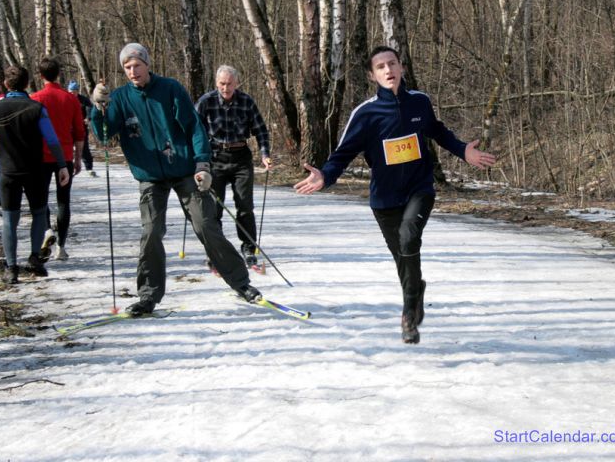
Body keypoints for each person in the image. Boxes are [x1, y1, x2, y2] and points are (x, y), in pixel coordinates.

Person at [294, 45, 496, 344]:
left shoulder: (420, 102)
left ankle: (407, 315)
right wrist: (326, 175)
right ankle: (416, 289)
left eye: (392, 63)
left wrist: (463, 149)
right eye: (381, 67)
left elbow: (438, 131)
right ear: (372, 75)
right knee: (404, 257)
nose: (388, 70)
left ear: (401, 67)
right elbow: (343, 153)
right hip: (385, 199)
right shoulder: (365, 114)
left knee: (408, 238)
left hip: (419, 189)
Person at [91, 42, 261, 317]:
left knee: (206, 225)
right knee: (151, 232)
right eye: (127, 67)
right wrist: (97, 107)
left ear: (147, 64)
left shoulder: (170, 89)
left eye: (137, 65)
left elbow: (195, 127)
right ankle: (148, 296)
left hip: (184, 171)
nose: (133, 71)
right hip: (150, 177)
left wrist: (203, 164)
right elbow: (104, 133)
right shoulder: (121, 98)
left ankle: (242, 284)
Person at [0, 66, 70, 284]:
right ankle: (35, 260)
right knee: (39, 214)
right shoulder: (36, 108)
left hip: (7, 172)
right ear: (27, 84)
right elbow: (52, 139)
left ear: (6, 85)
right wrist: (61, 165)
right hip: (35, 171)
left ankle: (11, 268)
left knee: (9, 220)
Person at [195, 65, 272, 273]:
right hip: (215, 158)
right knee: (214, 209)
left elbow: (261, 131)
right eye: (222, 83)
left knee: (245, 205)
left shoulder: (246, 101)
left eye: (229, 84)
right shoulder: (206, 102)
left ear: (236, 83)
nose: (225, 88)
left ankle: (249, 249)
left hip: (240, 157)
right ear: (216, 83)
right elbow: (194, 131)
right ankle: (216, 252)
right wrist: (194, 160)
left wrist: (265, 154)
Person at [30, 57, 85, 261]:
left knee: (42, 198)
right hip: (65, 157)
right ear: (58, 74)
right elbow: (79, 132)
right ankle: (61, 246)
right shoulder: (70, 99)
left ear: (41, 75)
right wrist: (78, 158)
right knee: (64, 201)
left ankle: (46, 231)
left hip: (41, 157)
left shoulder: (35, 98)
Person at [67, 80, 97, 177]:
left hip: (81, 127)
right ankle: (68, 167)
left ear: (77, 91)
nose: (73, 93)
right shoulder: (65, 99)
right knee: (68, 148)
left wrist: (88, 118)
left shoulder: (83, 99)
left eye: (74, 91)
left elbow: (90, 109)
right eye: (71, 91)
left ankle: (89, 168)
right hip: (68, 128)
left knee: (84, 148)